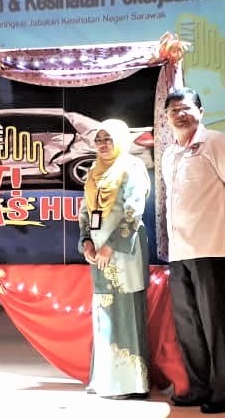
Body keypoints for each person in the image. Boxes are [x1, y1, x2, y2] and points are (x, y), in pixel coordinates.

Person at [161, 88, 225, 414]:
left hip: (210, 247)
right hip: (179, 250)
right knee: (187, 323)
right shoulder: (170, 153)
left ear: (201, 111)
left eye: (186, 108)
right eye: (173, 110)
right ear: (166, 117)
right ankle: (198, 387)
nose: (180, 114)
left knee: (214, 322)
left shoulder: (217, 142)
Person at [78, 118, 151, 400]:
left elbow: (134, 211)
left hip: (123, 252)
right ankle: (106, 380)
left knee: (124, 311)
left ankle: (130, 383)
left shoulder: (132, 167)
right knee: (104, 312)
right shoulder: (94, 170)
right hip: (98, 253)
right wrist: (86, 241)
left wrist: (111, 246)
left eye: (108, 138)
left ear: (120, 139)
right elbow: (86, 211)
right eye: (98, 139)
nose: (103, 144)